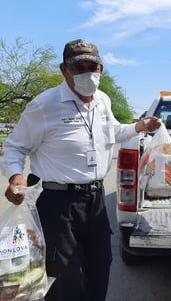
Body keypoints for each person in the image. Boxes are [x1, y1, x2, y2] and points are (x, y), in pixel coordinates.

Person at [0, 39, 161, 300]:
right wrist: (16, 177)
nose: (87, 73)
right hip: (57, 203)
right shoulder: (44, 105)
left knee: (100, 266)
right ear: (64, 70)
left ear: (102, 69)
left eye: (92, 66)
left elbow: (114, 131)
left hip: (95, 200)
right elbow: (16, 146)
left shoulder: (103, 101)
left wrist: (139, 127)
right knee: (63, 275)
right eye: (79, 67)